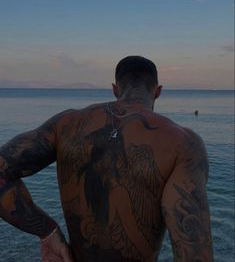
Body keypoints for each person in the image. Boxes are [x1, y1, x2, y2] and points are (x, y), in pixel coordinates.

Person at [0, 56, 214, 262]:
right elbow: (194, 252)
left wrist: (47, 231)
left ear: (115, 89)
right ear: (158, 92)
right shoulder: (184, 143)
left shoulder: (66, 123)